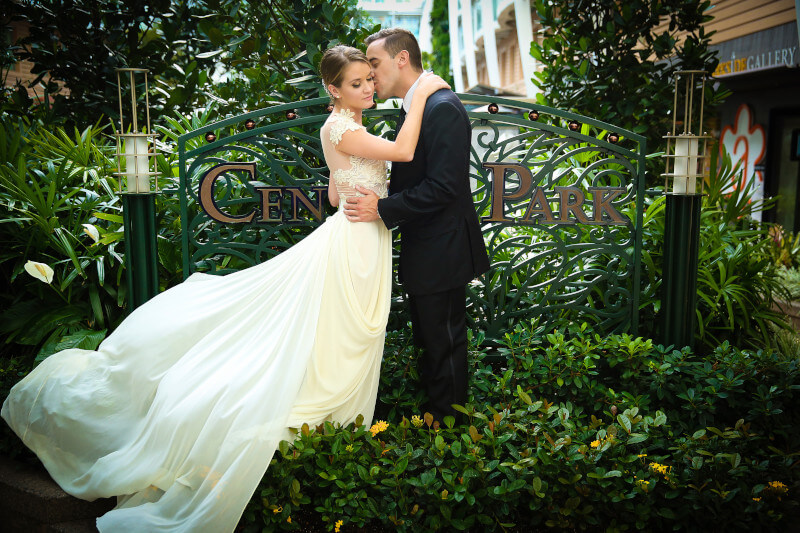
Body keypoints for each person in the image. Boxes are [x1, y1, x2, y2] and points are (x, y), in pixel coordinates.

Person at [1, 45, 448, 533]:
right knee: (345, 335)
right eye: (357, 82)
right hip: (357, 243)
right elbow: (403, 153)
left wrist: (363, 189)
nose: (367, 88)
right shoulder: (344, 127)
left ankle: (334, 429)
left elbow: (337, 194)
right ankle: (325, 426)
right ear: (333, 89)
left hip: (359, 232)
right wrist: (423, 92)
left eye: (369, 79)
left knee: (344, 332)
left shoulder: (343, 130)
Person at [344, 28, 490, 423]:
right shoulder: (418, 106)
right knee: (432, 343)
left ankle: (452, 431)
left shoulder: (440, 106)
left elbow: (444, 186)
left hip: (441, 250)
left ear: (402, 59)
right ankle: (438, 425)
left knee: (443, 345)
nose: (371, 76)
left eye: (374, 64)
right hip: (428, 248)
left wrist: (384, 208)